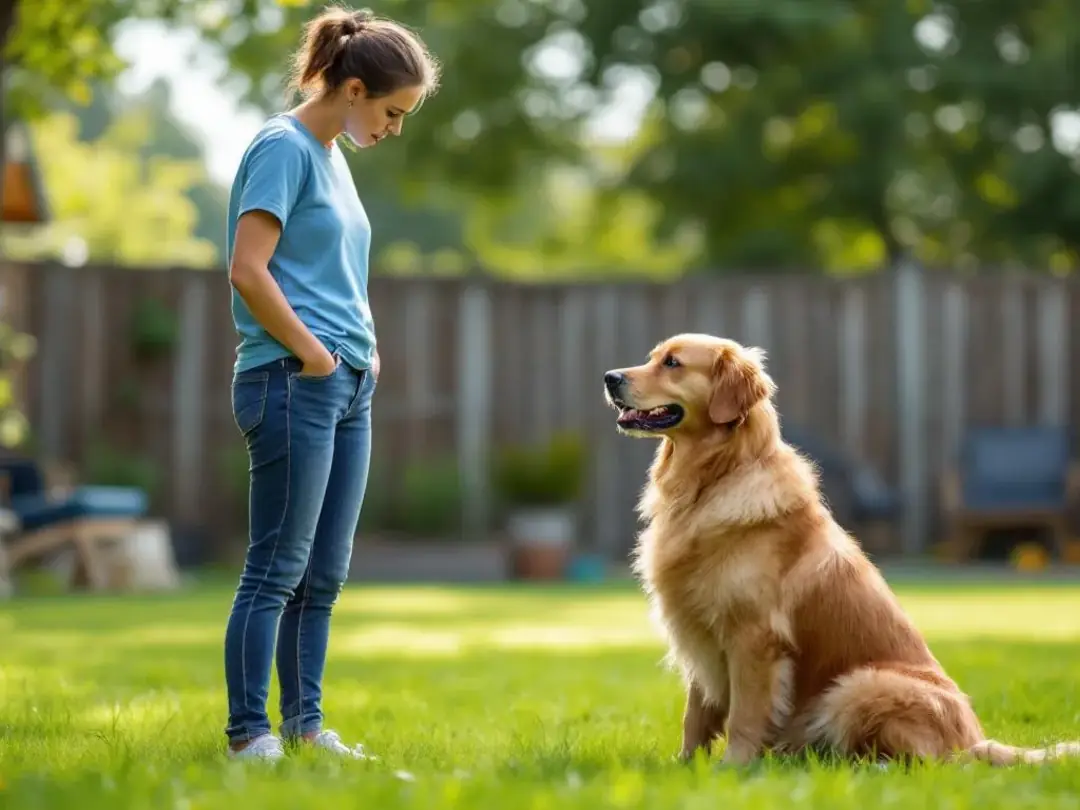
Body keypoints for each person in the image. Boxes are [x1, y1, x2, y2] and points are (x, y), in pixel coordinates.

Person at [222, 4, 440, 762]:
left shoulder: (334, 158)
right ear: (352, 88)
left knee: (324, 574)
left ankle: (306, 729)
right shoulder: (282, 147)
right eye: (391, 111)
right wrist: (315, 354)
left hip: (346, 386)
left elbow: (332, 270)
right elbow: (248, 270)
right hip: (291, 380)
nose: (394, 127)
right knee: (276, 569)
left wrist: (360, 352)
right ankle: (249, 735)